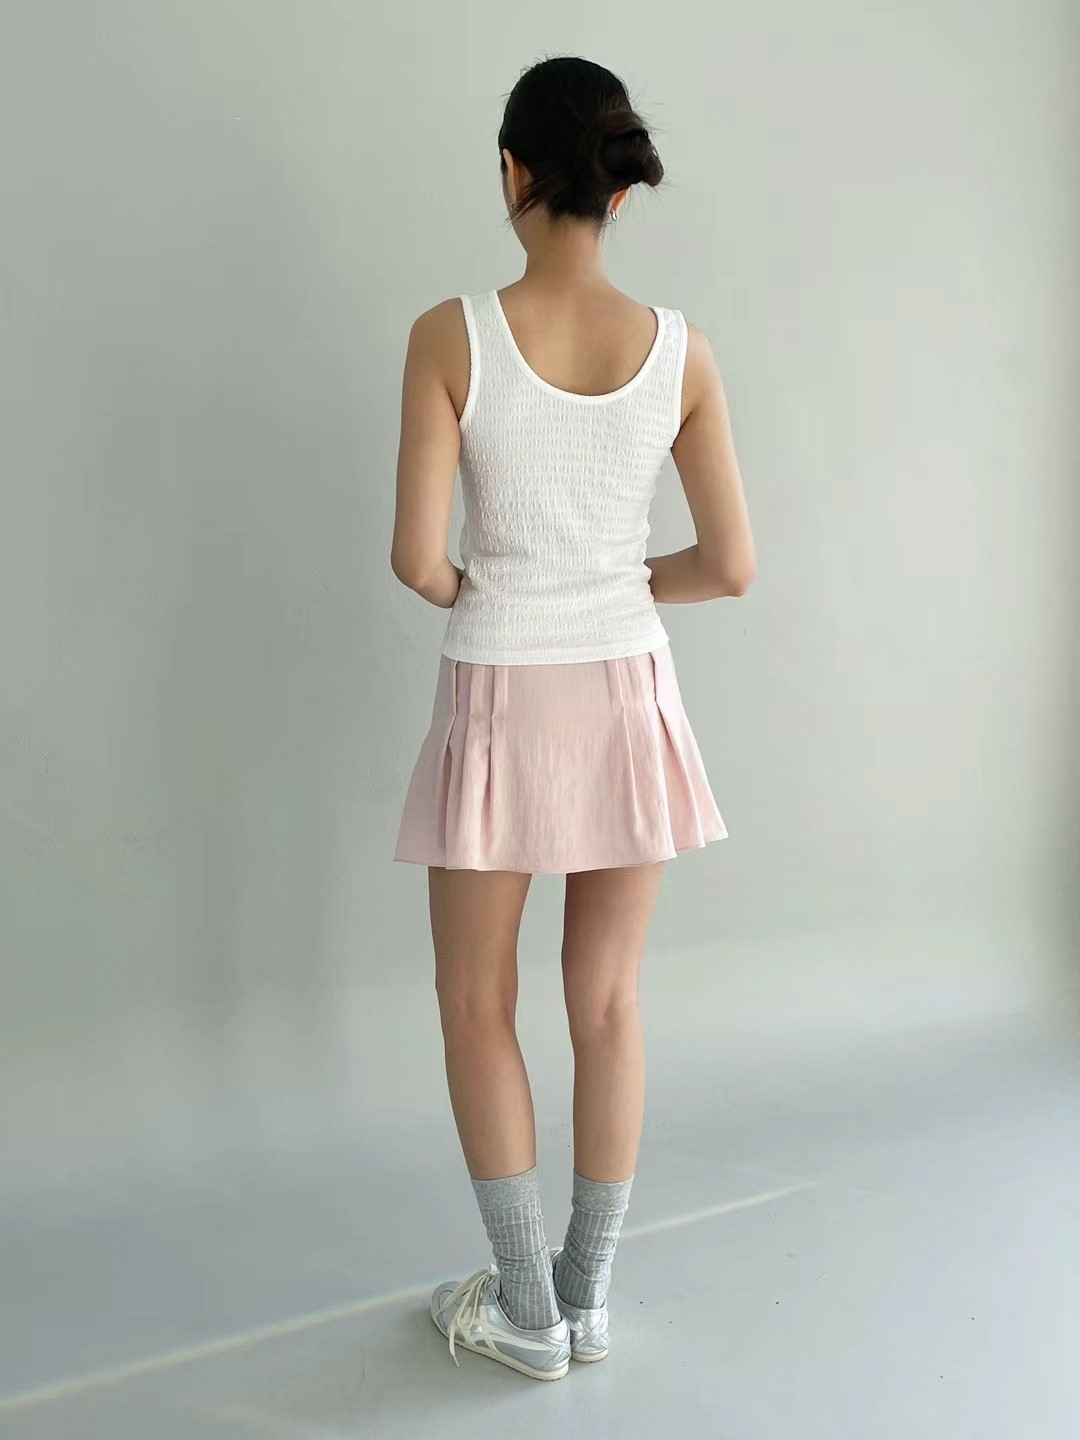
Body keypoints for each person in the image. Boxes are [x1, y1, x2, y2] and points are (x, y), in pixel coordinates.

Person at [390, 55, 756, 1382]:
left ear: (513, 171)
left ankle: (524, 1308)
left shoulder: (451, 337)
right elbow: (729, 565)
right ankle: (585, 1299)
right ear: (619, 189)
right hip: (626, 693)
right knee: (606, 1001)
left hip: (501, 691)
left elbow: (417, 562)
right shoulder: (681, 351)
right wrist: (614, 581)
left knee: (472, 998)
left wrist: (499, 587)